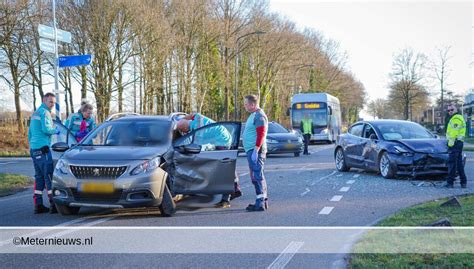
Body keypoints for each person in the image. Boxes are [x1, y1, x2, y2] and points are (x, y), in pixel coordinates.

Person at [176, 113, 242, 208]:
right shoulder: (197, 118)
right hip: (225, 136)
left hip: (222, 142)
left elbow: (197, 149)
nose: (186, 133)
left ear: (185, 128)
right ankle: (234, 188)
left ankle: (228, 197)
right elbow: (193, 114)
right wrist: (182, 119)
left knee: (223, 168)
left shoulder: (198, 132)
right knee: (227, 166)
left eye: (184, 131)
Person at [28, 92, 60, 214]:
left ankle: (38, 204)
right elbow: (46, 129)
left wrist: (32, 147)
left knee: (39, 177)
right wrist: (55, 131)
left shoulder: (35, 113)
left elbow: (30, 133)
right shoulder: (45, 113)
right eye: (50, 101)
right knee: (48, 177)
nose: (52, 104)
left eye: (54, 102)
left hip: (34, 149)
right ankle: (54, 205)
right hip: (43, 149)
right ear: (44, 100)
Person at [242, 95, 269, 211]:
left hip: (256, 151)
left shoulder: (259, 116)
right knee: (255, 175)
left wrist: (256, 150)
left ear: (253, 104)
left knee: (257, 176)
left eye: (246, 104)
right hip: (252, 150)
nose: (245, 106)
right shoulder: (253, 115)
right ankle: (261, 200)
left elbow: (261, 134)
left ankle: (261, 202)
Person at [444, 104, 467, 188]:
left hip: (454, 144)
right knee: (459, 164)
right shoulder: (457, 118)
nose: (450, 111)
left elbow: (453, 133)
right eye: (448, 110)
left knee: (452, 164)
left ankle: (450, 183)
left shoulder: (456, 118)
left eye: (452, 110)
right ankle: (463, 182)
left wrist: (450, 144)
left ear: (456, 110)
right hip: (458, 143)